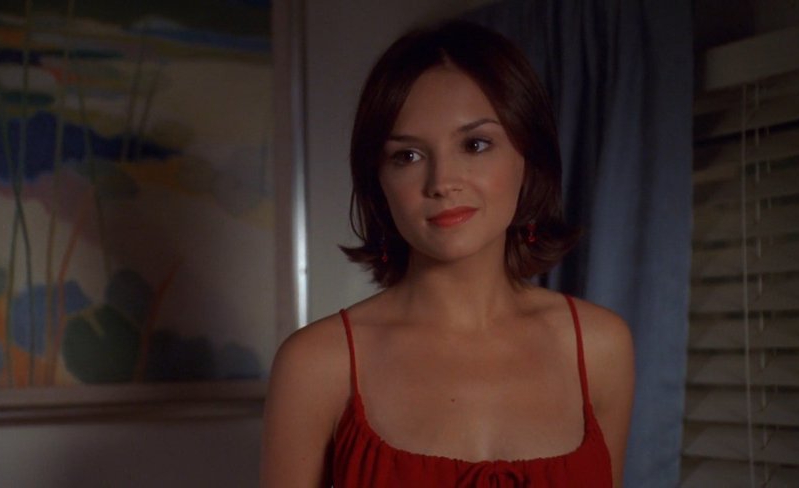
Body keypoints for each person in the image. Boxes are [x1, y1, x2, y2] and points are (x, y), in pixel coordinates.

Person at [262, 20, 634, 487]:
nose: (441, 182)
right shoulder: (316, 365)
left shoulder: (601, 347)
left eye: (475, 145)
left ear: (528, 158)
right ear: (378, 181)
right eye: (407, 156)